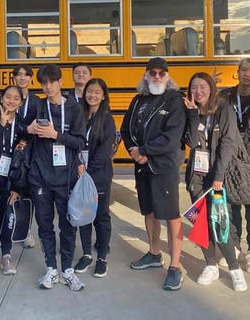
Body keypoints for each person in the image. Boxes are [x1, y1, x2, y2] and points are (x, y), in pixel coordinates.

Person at [120, 57, 186, 291]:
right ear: (146, 76)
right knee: (148, 211)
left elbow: (173, 136)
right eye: (152, 73)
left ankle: (175, 266)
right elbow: (126, 128)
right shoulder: (139, 100)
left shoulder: (175, 100)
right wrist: (134, 151)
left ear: (167, 76)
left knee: (170, 215)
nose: (157, 77)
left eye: (161, 73)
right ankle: (154, 253)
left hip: (164, 166)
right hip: (142, 166)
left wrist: (146, 151)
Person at [184, 72, 248, 292]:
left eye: (202, 87)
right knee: (201, 223)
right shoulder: (191, 112)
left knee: (219, 222)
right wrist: (192, 115)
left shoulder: (223, 109)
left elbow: (228, 143)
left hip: (217, 176)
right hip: (197, 176)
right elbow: (191, 142)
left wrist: (219, 175)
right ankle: (210, 264)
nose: (198, 91)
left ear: (211, 88)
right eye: (194, 87)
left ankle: (234, 269)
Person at [27, 64, 87, 291]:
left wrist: (56, 135)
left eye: (52, 82)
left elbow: (80, 142)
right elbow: (21, 128)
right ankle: (51, 268)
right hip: (40, 177)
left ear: (62, 82)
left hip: (67, 177)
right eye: (43, 83)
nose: (48, 86)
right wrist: (30, 129)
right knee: (44, 225)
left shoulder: (74, 108)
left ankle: (68, 270)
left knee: (68, 224)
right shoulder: (37, 105)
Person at [0, 64, 40, 248]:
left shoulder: (36, 102)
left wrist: (28, 132)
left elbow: (27, 130)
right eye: (19, 74)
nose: (22, 77)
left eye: (26, 74)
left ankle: (22, 230)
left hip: (19, 161)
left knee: (17, 199)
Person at [217, 58, 250, 273]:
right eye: (243, 70)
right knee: (232, 204)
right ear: (237, 72)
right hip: (232, 154)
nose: (247, 74)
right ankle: (234, 247)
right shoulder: (225, 95)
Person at [73, 78, 116, 278]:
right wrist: (78, 165)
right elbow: (73, 142)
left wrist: (88, 170)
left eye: (97, 92)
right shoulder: (78, 114)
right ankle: (87, 255)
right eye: (89, 91)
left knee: (100, 216)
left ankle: (102, 258)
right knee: (83, 215)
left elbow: (105, 149)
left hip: (98, 175)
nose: (92, 95)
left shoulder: (106, 119)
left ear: (103, 96)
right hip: (79, 172)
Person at [0, 85, 27, 276]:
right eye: (7, 97)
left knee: (8, 216)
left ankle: (6, 255)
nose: (11, 101)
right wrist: (1, 125)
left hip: (10, 178)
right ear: (1, 99)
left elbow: (23, 157)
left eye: (15, 98)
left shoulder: (22, 125)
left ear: (21, 102)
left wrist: (17, 186)